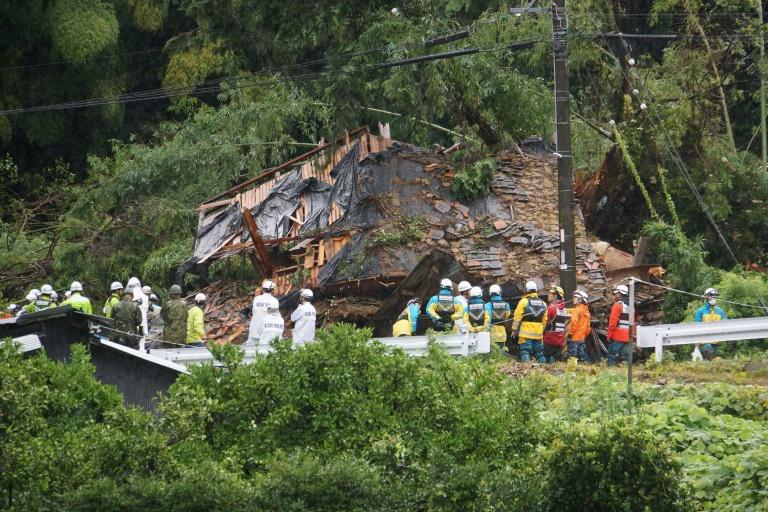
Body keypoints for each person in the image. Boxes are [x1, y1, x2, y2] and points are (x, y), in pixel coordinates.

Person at [511, 281, 548, 363]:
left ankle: (526, 368)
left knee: (525, 351)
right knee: (540, 353)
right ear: (536, 290)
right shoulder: (544, 303)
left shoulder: (524, 301)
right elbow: (545, 320)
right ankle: (544, 370)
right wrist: (541, 331)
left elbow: (517, 317)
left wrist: (514, 329)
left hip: (525, 332)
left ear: (526, 290)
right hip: (538, 333)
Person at [694, 287, 727, 360]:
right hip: (704, 342)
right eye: (711, 296)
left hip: (716, 342)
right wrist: (696, 343)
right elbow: (696, 328)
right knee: (710, 354)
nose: (713, 298)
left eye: (715, 296)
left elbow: (725, 325)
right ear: (706, 297)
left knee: (710, 361)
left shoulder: (720, 311)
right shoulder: (700, 311)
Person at [248, 280, 279, 345]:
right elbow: (274, 316)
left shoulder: (256, 299)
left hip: (254, 330)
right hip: (266, 332)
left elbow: (254, 312)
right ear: (272, 290)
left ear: (262, 289)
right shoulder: (274, 301)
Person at [607, 285, 631, 366]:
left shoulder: (617, 305)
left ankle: (611, 372)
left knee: (612, 355)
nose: (615, 295)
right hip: (628, 336)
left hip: (618, 335)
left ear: (620, 294)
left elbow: (612, 323)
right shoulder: (631, 306)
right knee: (625, 357)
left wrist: (609, 335)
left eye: (616, 293)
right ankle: (625, 374)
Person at [543, 285, 568, 363]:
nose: (548, 296)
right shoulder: (564, 308)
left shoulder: (551, 308)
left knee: (546, 359)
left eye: (550, 294)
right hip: (560, 338)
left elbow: (545, 322)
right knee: (557, 360)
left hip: (549, 338)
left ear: (555, 296)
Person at [565, 290, 591, 362]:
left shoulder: (577, 310)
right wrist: (584, 335)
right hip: (581, 337)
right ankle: (586, 365)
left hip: (574, 337)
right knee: (582, 353)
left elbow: (574, 323)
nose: (573, 299)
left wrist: (570, 334)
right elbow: (588, 327)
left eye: (575, 297)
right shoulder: (586, 311)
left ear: (580, 299)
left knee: (572, 355)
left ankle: (571, 370)